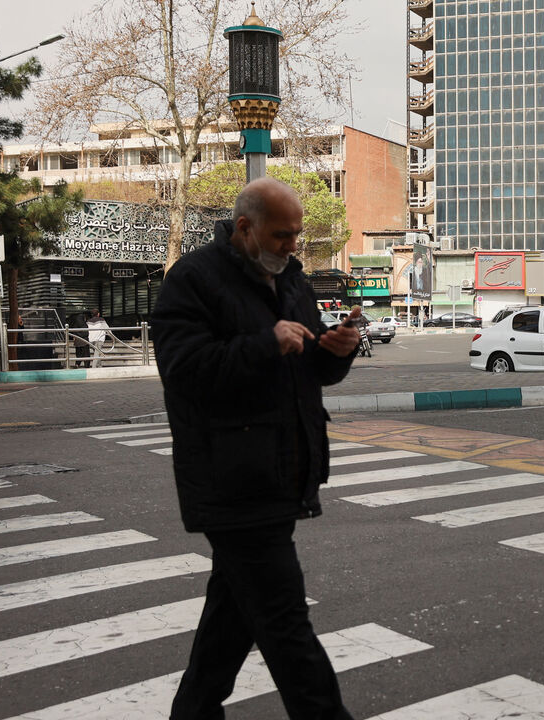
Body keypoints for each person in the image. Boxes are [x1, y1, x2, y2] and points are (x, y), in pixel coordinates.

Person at [151, 177, 361, 719]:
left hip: (282, 474)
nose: (292, 246)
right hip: (233, 481)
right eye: (281, 235)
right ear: (245, 229)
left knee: (233, 615)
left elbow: (311, 367)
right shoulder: (192, 280)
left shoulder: (291, 278)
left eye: (297, 235)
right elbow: (185, 371)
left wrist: (336, 350)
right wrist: (264, 344)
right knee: (287, 627)